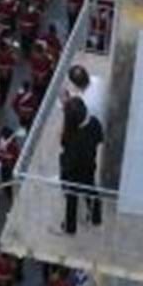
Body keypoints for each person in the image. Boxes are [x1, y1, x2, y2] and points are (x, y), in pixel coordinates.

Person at [59, 98, 105, 235]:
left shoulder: (72, 135)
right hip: (89, 165)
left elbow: (65, 148)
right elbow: (100, 138)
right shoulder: (94, 123)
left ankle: (70, 227)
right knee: (91, 190)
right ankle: (96, 218)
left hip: (73, 171)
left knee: (71, 199)